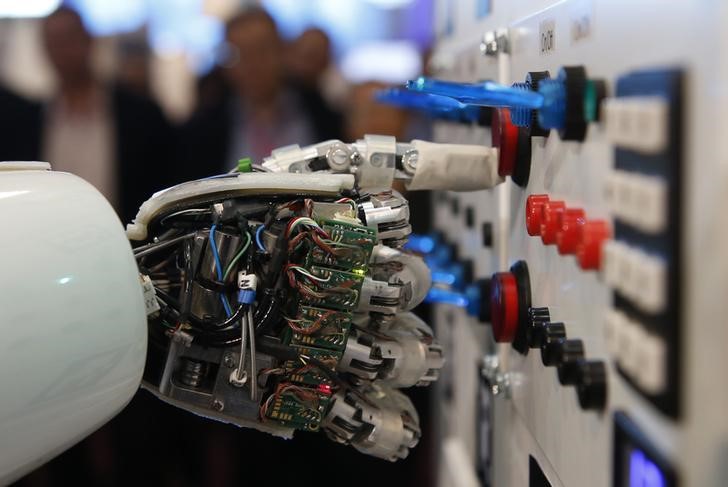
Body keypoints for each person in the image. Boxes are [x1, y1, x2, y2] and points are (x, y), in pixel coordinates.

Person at [38, 6, 174, 223]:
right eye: (54, 42)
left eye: (69, 39)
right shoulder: (33, 121)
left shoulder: (141, 115)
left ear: (88, 41)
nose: (63, 51)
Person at [179, 8, 343, 179]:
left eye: (261, 51)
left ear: (282, 51)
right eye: (239, 54)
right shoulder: (204, 130)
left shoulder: (321, 115)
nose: (252, 65)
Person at [286, 27, 349, 110]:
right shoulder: (282, 94)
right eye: (305, 54)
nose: (306, 64)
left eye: (314, 56)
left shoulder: (331, 99)